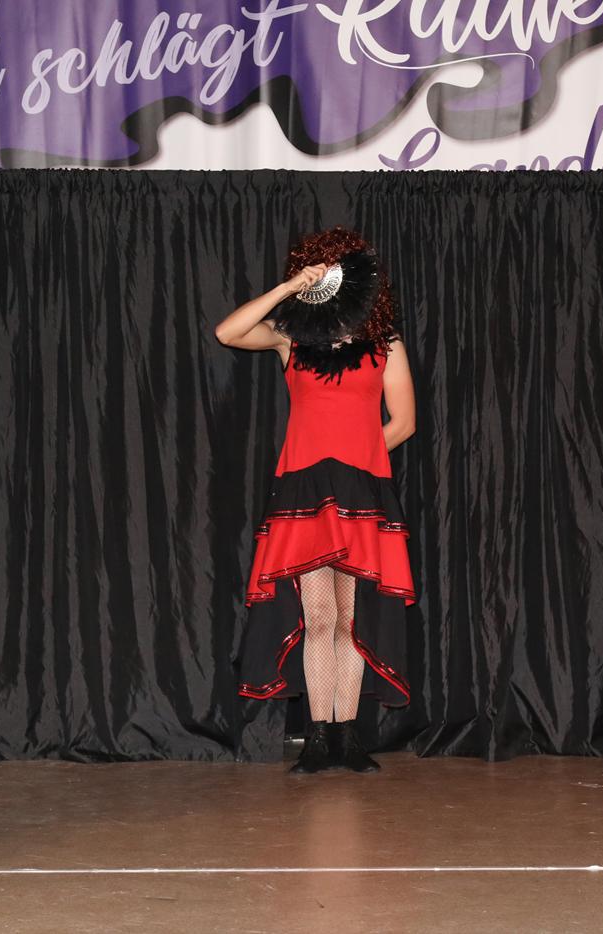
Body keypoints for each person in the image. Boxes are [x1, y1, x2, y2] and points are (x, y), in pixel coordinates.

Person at [216, 228, 417, 774]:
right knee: (319, 616)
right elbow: (228, 332)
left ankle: (347, 736)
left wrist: (358, 455)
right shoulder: (292, 340)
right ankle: (318, 738)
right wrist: (287, 290)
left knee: (351, 619)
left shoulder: (385, 344)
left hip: (361, 489)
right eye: (315, 270)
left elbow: (403, 422)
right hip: (304, 490)